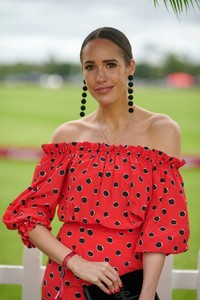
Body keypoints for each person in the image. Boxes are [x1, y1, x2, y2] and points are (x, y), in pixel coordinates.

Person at [3, 27, 190, 300]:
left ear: (130, 67)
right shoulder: (67, 137)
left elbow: (161, 225)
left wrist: (147, 294)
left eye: (110, 65)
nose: (100, 77)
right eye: (90, 67)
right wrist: (74, 262)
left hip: (126, 290)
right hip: (65, 284)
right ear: (83, 72)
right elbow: (30, 217)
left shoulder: (161, 130)